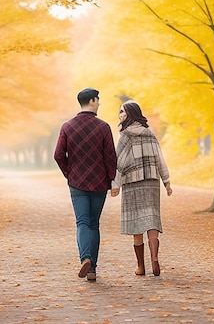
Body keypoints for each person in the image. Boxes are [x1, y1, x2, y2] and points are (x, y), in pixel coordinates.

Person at [54, 88, 117, 282]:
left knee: (82, 222)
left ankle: (85, 258)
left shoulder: (67, 126)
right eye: (98, 99)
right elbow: (110, 157)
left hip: (77, 183)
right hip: (99, 183)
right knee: (93, 223)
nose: (99, 103)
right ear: (92, 100)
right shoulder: (103, 127)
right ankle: (92, 269)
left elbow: (58, 155)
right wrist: (112, 179)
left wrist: (69, 174)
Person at [111, 100, 172, 276]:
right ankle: (154, 257)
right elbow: (160, 158)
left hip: (132, 182)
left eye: (122, 112)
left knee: (136, 223)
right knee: (152, 219)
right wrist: (166, 181)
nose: (120, 115)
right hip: (152, 182)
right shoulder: (150, 133)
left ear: (130, 113)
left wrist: (115, 185)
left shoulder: (126, 135)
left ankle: (141, 266)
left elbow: (118, 161)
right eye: (119, 112)